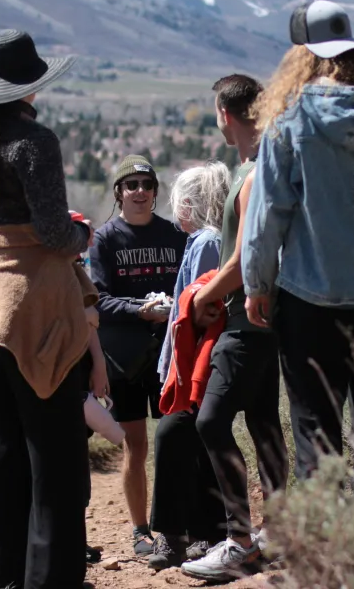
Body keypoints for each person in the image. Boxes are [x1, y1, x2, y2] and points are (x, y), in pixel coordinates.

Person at [241, 0, 354, 483]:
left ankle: (326, 549)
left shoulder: (291, 120)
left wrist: (257, 285)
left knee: (315, 434)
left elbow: (268, 212)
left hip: (309, 299)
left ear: (304, 54)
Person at [0, 29, 98, 589]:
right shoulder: (36, 141)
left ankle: (2, 575)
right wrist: (83, 236)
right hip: (33, 309)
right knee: (55, 456)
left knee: (5, 447)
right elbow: (56, 234)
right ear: (28, 85)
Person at [181, 75, 289, 583]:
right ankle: (277, 532)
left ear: (226, 112)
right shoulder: (268, 161)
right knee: (264, 420)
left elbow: (244, 253)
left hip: (245, 320)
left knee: (211, 421)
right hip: (270, 319)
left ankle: (239, 538)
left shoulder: (252, 173)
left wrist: (203, 295)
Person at [89, 155, 188, 557]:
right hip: (125, 359)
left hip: (170, 354)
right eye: (131, 185)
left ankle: (176, 526)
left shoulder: (175, 235)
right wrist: (139, 310)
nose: (141, 192)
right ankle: (140, 530)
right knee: (135, 444)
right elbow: (97, 300)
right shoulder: (105, 239)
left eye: (147, 184)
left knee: (175, 440)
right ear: (119, 192)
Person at [146, 162, 231, 571]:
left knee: (171, 435)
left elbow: (200, 309)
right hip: (197, 363)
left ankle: (175, 534)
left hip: (198, 363)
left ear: (190, 204)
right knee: (195, 444)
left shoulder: (206, 242)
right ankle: (206, 533)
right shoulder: (207, 240)